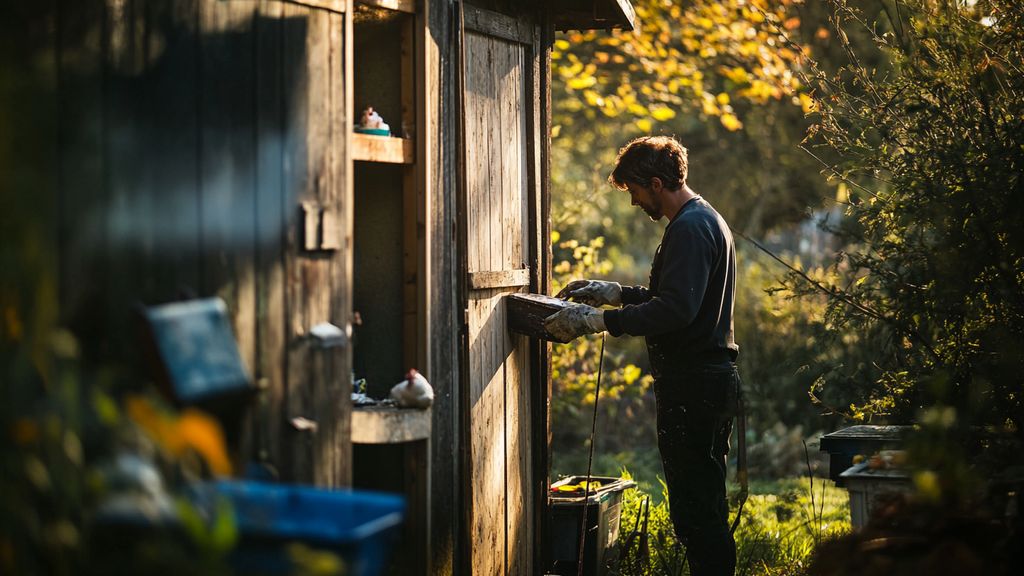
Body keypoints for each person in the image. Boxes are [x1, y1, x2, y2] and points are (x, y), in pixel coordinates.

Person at [543, 135, 741, 576]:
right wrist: (614, 293)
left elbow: (675, 310)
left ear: (656, 183)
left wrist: (597, 322)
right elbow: (670, 297)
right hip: (700, 383)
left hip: (697, 385)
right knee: (699, 505)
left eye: (634, 191)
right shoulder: (699, 221)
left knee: (698, 512)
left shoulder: (690, 228)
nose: (634, 203)